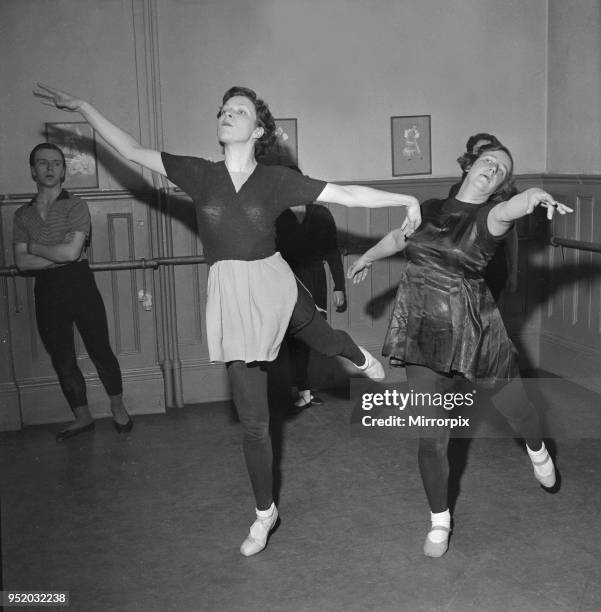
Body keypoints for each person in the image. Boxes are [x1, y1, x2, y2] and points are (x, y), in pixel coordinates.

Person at [33, 82, 421, 556]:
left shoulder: (276, 180)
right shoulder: (200, 174)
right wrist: (85, 107)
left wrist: (406, 201)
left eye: (238, 110)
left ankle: (356, 354)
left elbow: (344, 194)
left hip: (275, 284)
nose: (227, 113)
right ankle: (265, 514)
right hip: (232, 296)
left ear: (258, 130)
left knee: (323, 338)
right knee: (254, 421)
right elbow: (131, 149)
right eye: (223, 109)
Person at [348, 143, 572, 558]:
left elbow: (509, 210)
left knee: (518, 410)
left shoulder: (491, 217)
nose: (493, 168)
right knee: (431, 438)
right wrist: (367, 256)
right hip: (423, 332)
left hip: (478, 329)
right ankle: (439, 521)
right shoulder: (430, 207)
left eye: (502, 169)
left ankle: (538, 450)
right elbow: (401, 237)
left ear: (502, 184)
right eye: (489, 160)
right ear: (470, 165)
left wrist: (532, 198)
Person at [13, 142, 132, 441]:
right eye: (42, 163)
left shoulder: (76, 205)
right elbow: (21, 261)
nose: (50, 168)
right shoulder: (22, 215)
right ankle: (82, 417)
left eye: (56, 163)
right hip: (47, 291)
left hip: (80, 284)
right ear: (33, 171)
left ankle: (118, 408)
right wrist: (57, 252)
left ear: (64, 170)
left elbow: (71, 253)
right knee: (62, 358)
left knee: (99, 350)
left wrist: (36, 248)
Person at [275, 164, 347, 409]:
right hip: (283, 280)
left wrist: (339, 286)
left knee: (308, 337)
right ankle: (284, 392)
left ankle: (304, 390)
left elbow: (332, 251)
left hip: (314, 279)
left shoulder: (321, 214)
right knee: (281, 339)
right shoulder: (273, 213)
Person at [449, 133, 519, 302]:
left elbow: (511, 239)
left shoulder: (503, 198)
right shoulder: (455, 192)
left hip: (493, 266)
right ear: (471, 160)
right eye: (483, 154)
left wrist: (513, 272)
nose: (491, 166)